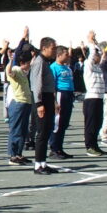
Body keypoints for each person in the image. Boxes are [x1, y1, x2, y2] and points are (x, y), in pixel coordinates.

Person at [28, 36, 60, 175]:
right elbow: (36, 84)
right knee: (42, 133)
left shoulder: (45, 62)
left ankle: (43, 162)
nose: (54, 51)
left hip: (47, 98)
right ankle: (38, 165)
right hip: (41, 100)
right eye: (52, 48)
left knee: (47, 131)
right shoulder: (39, 62)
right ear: (44, 48)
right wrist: (39, 103)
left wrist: (53, 101)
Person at [5, 33, 34, 165]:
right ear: (23, 63)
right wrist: (11, 60)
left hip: (26, 102)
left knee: (23, 130)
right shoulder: (16, 69)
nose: (30, 65)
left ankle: (19, 153)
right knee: (16, 129)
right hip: (18, 103)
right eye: (28, 63)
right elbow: (9, 72)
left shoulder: (24, 71)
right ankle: (13, 155)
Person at [81, 32, 107, 158]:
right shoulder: (88, 65)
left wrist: (96, 43)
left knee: (98, 123)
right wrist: (90, 41)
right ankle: (89, 147)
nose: (98, 55)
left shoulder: (98, 67)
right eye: (96, 54)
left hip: (99, 98)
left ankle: (95, 145)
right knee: (91, 124)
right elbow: (92, 53)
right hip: (91, 98)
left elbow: (103, 53)